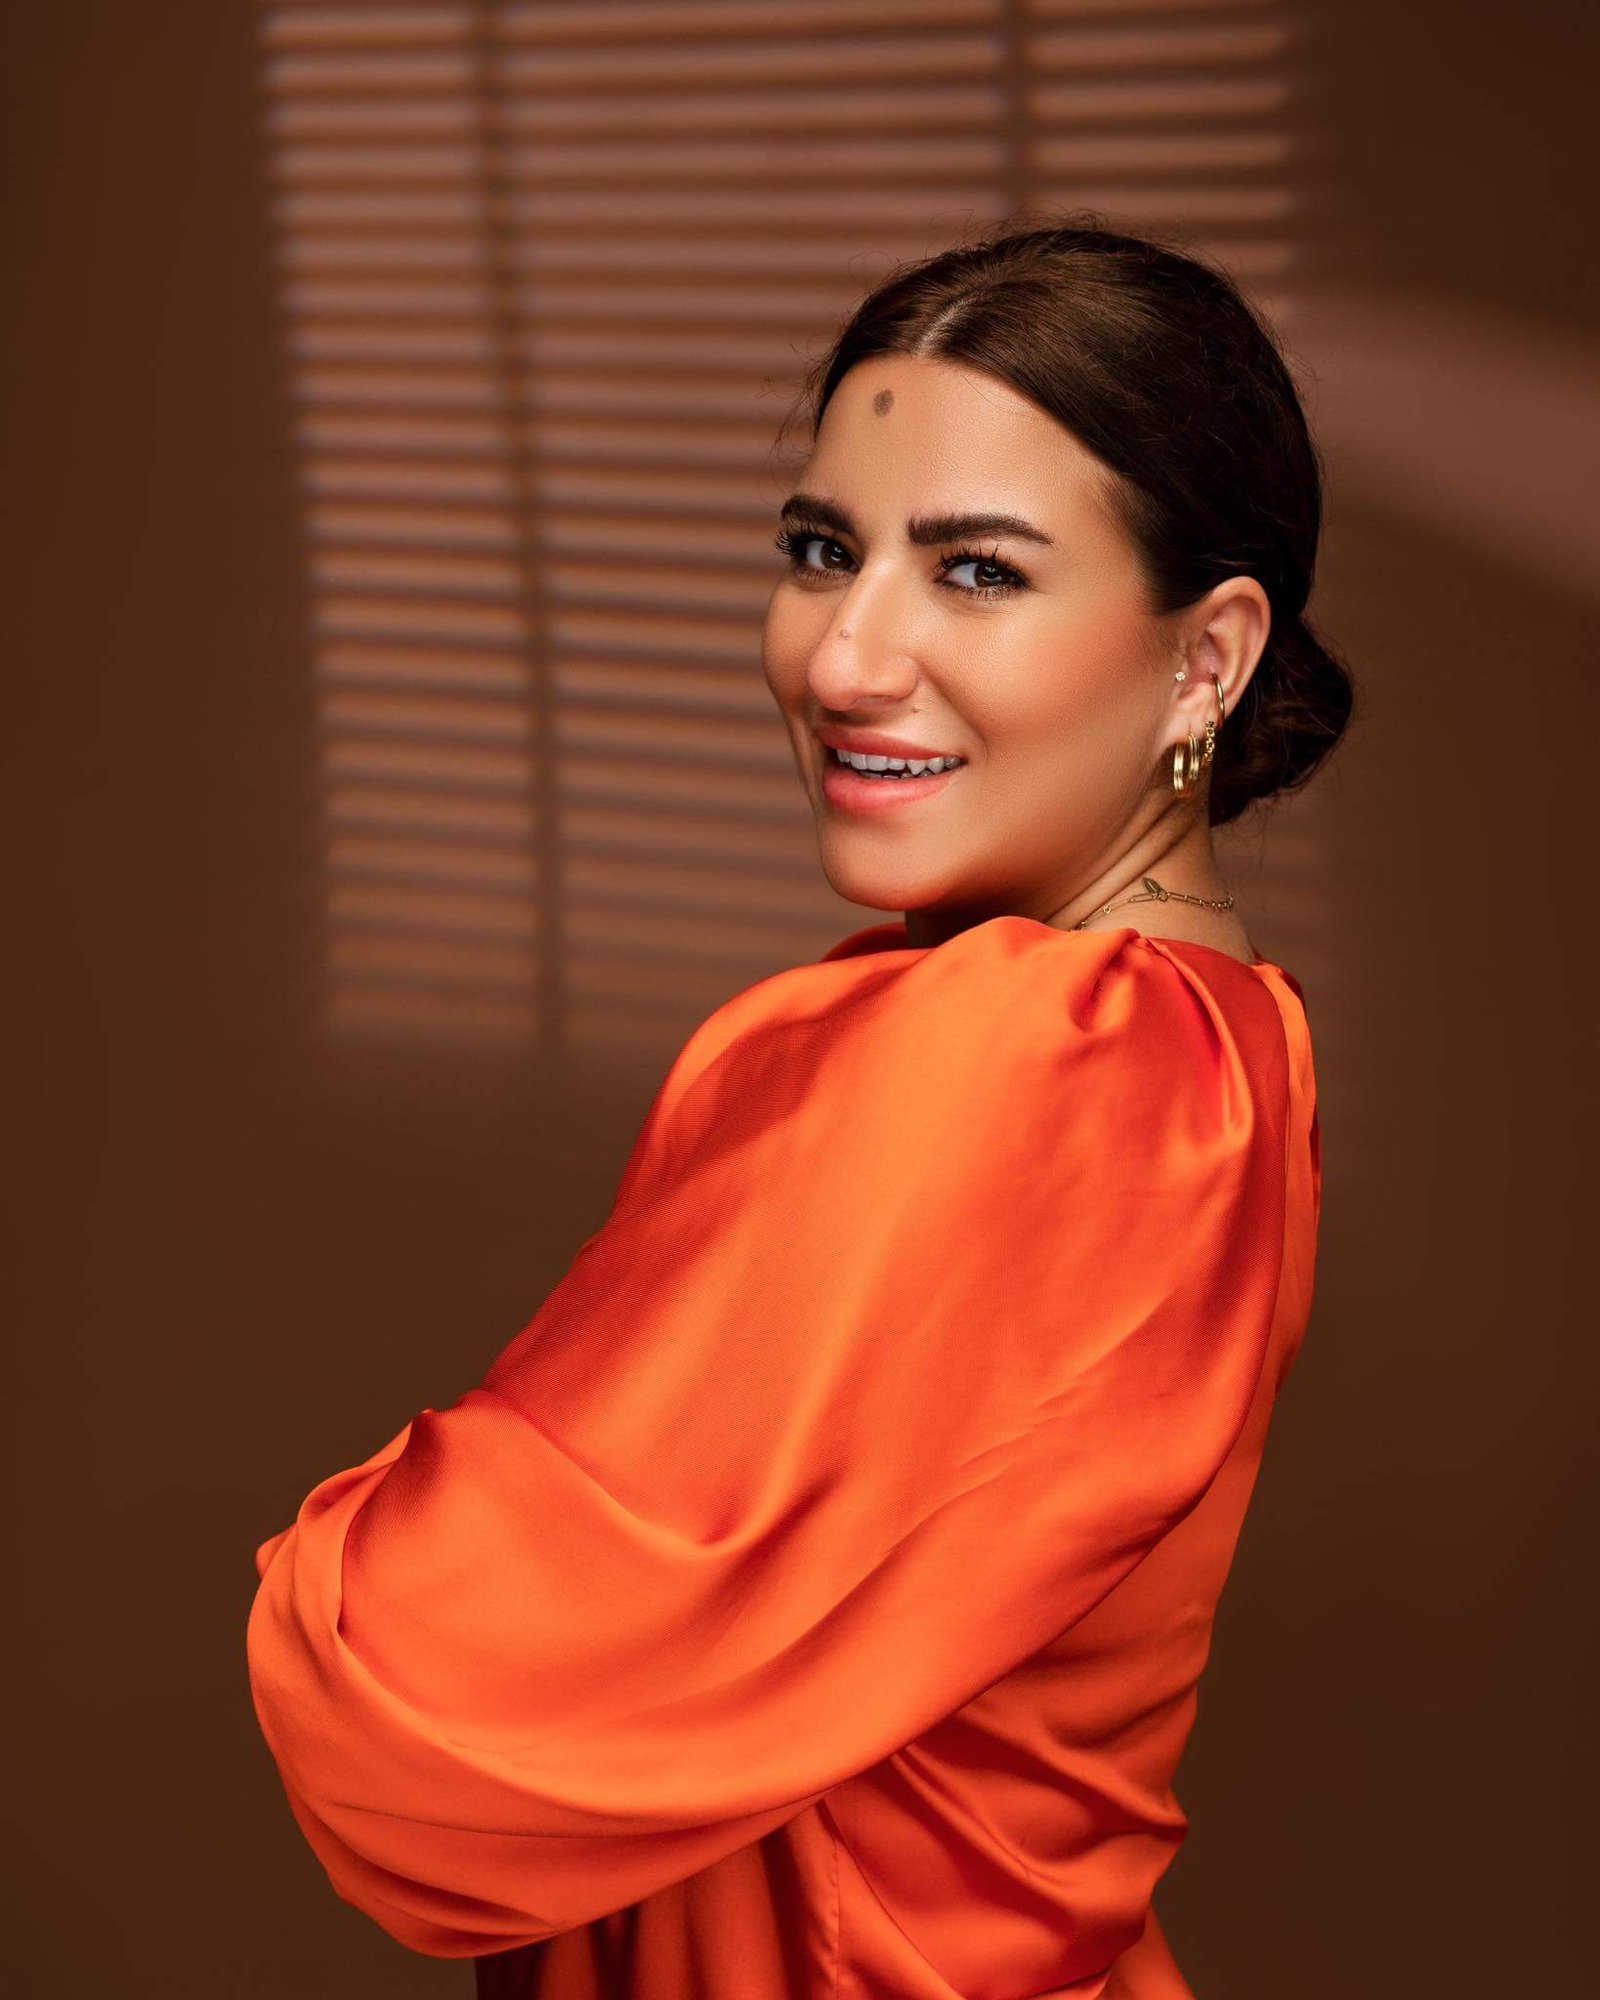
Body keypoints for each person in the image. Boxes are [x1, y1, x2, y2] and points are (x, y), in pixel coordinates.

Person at [246, 217, 1353, 1999]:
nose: (844, 659)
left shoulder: (1028, 1050)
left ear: (1207, 656)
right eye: (823, 552)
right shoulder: (1231, 1043)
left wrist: (333, 1563)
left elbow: (414, 1684)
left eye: (976, 572)